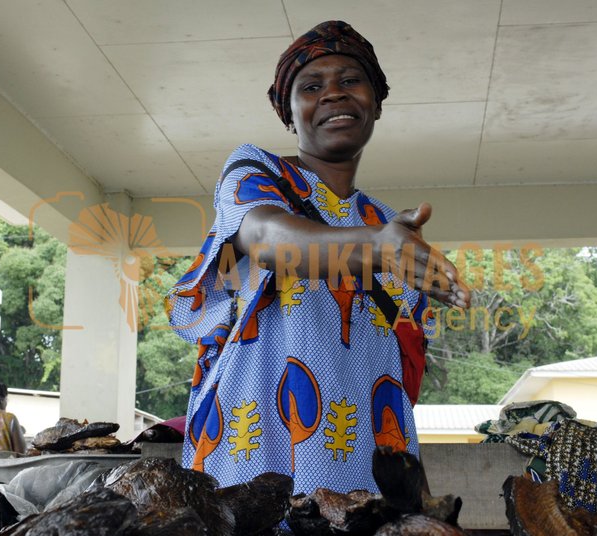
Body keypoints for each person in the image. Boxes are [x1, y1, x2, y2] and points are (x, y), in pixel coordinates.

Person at [167, 20, 469, 494]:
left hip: (363, 467)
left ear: (375, 102)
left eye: (350, 80)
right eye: (311, 86)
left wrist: (417, 497)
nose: (332, 94)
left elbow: (399, 373)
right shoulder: (256, 171)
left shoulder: (388, 221)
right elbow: (267, 237)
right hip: (254, 451)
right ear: (289, 114)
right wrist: (377, 248)